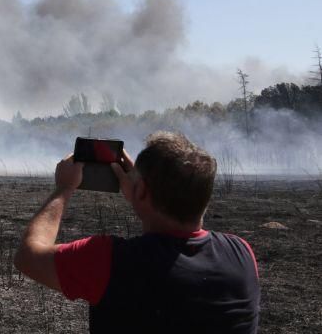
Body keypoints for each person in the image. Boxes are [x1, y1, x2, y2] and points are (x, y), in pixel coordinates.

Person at [14, 131, 259, 333]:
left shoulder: (109, 261)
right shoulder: (242, 254)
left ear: (140, 191)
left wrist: (64, 188)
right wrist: (142, 193)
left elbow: (28, 255)